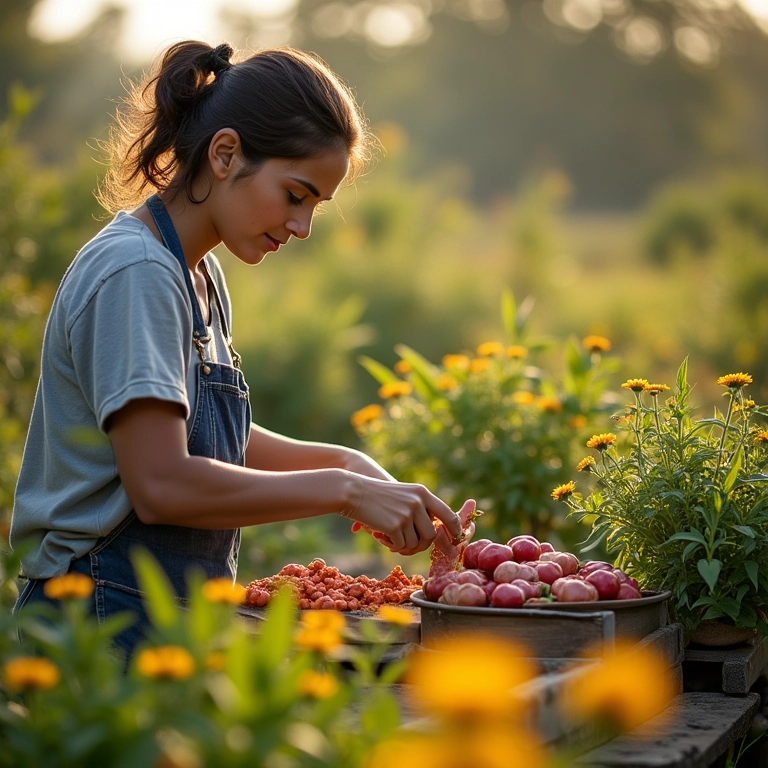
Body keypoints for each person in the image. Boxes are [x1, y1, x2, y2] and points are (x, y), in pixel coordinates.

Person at [10, 40, 470, 659]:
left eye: (316, 206)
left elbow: (206, 434)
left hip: (162, 614)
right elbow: (162, 482)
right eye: (295, 194)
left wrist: (351, 465)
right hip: (96, 616)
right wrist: (342, 491)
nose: (302, 226)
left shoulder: (197, 273)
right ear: (225, 154)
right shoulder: (136, 272)